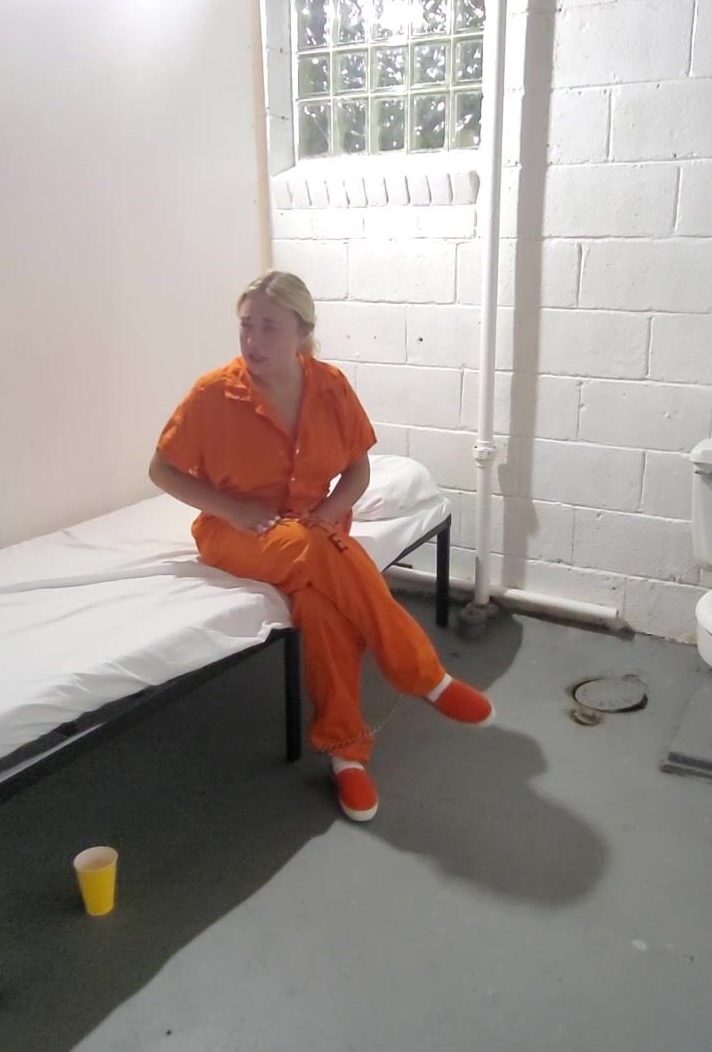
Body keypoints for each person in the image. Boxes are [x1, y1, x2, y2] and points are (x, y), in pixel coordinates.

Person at [149, 271, 494, 822]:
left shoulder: (331, 387)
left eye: (269, 327)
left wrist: (330, 512)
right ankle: (422, 674)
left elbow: (357, 470)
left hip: (317, 531)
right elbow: (162, 470)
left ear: (303, 331)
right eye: (246, 326)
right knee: (313, 550)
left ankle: (346, 754)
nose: (253, 340)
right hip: (236, 534)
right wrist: (233, 509)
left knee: (319, 607)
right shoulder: (214, 393)